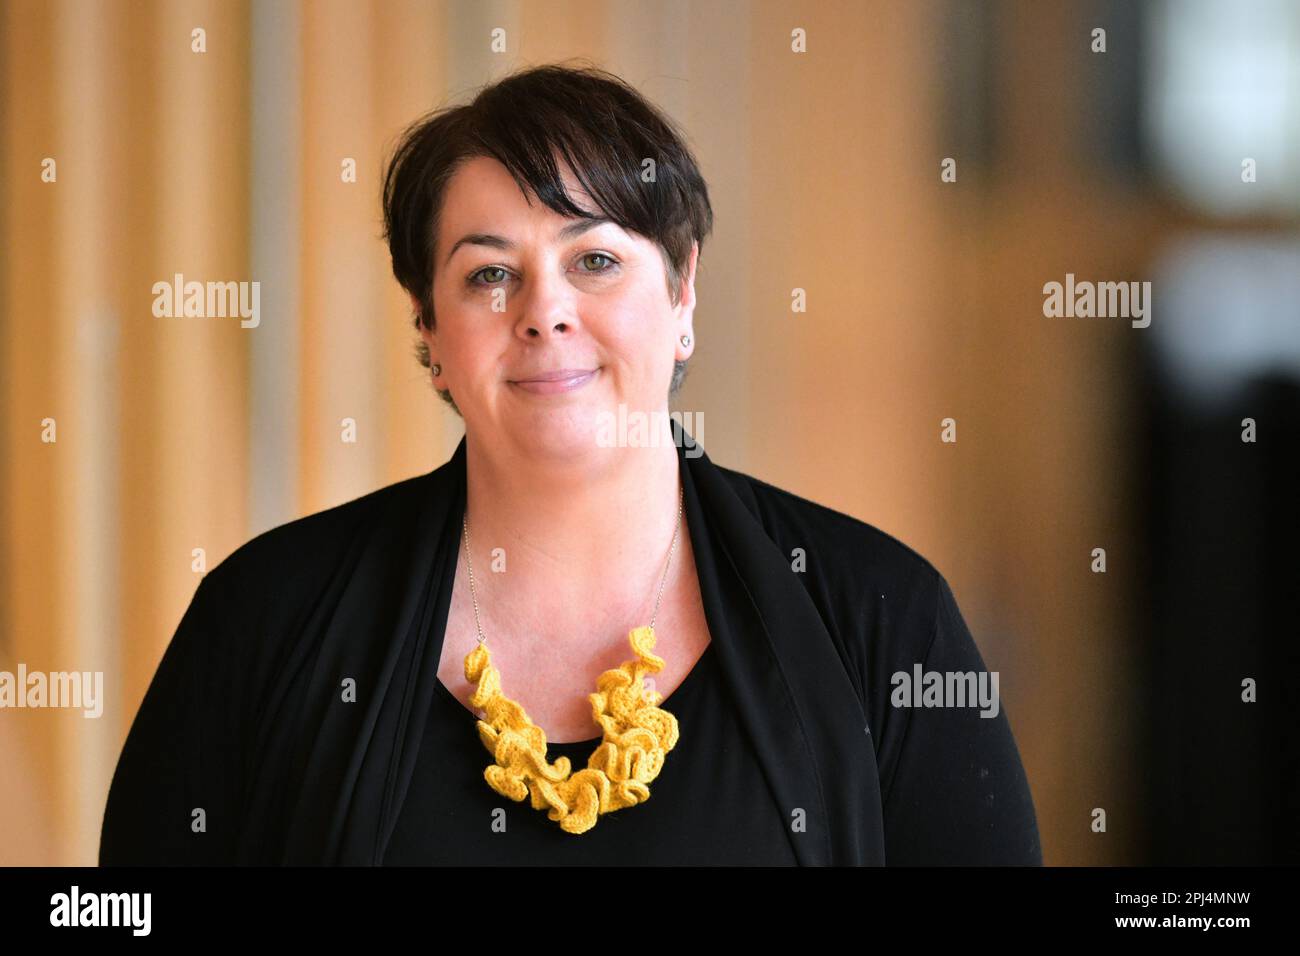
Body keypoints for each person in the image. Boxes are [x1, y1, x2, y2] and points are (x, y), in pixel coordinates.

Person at [99, 62, 1041, 866]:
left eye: (594, 260)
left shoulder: (880, 615)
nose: (543, 312)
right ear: (429, 331)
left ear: (683, 293)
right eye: (489, 273)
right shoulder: (264, 617)